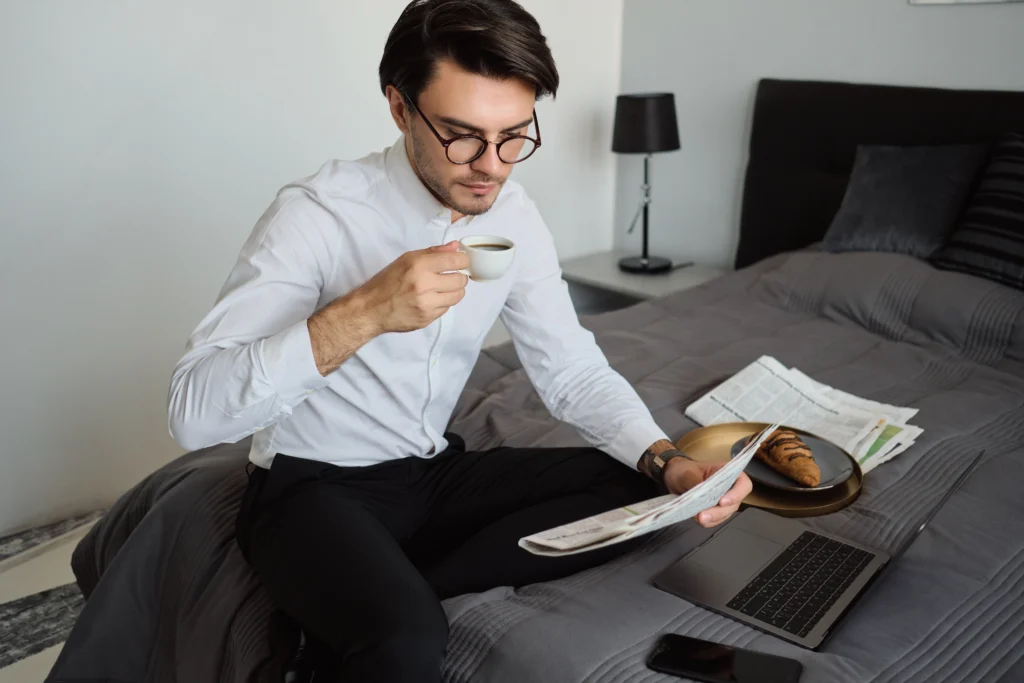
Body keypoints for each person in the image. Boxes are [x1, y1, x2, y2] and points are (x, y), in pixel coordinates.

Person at [167, 1, 752, 681]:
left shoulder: (512, 215)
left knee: (647, 492)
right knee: (409, 640)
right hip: (313, 486)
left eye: (514, 136)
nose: (492, 167)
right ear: (399, 107)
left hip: (430, 472)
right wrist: (363, 311)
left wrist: (665, 459)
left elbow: (568, 367)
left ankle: (396, 583)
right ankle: (370, 612)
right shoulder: (317, 214)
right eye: (463, 136)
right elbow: (193, 413)